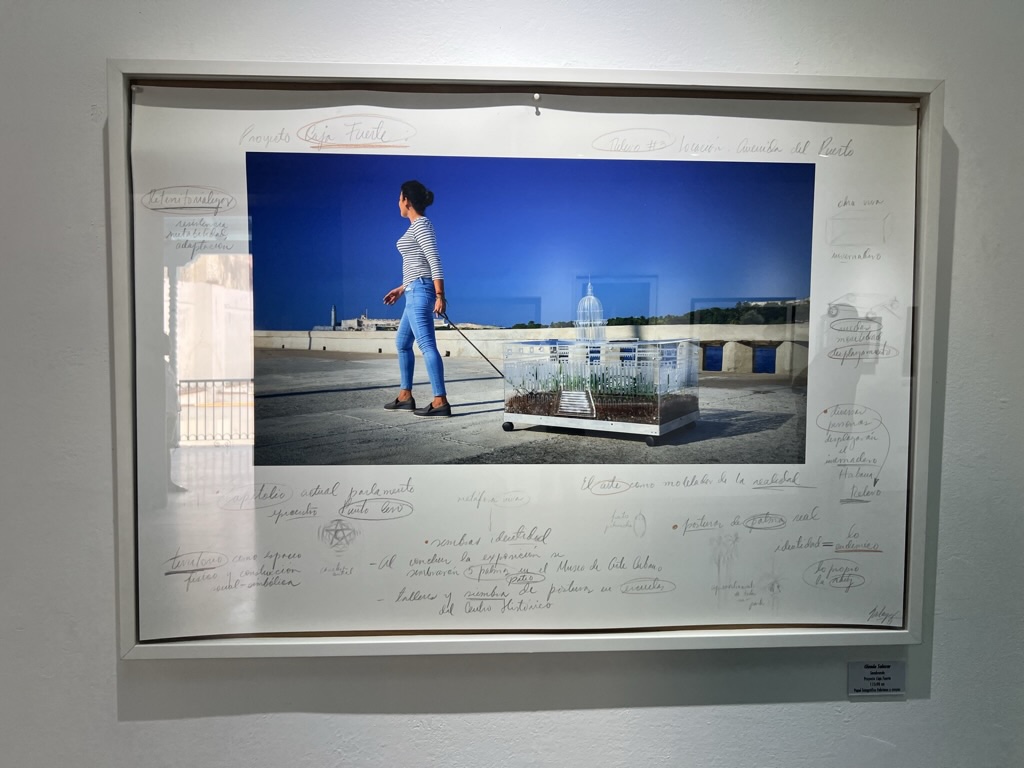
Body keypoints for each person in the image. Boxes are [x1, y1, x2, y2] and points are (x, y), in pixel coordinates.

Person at [382, 180, 452, 418]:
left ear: (406, 200)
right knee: (402, 343)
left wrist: (440, 295)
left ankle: (440, 400)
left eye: (399, 198)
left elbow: (434, 260)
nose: (397, 203)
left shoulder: (421, 224)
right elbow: (418, 265)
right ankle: (405, 396)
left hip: (421, 292)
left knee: (426, 344)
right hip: (413, 290)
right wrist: (401, 288)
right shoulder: (415, 227)